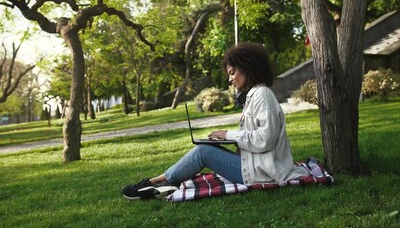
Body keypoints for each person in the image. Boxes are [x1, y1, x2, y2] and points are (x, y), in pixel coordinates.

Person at [121, 43, 294, 200]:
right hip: (255, 165)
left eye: (233, 73)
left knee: (203, 151)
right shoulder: (255, 95)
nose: (230, 79)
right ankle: (161, 181)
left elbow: (266, 139)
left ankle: (157, 182)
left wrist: (228, 134)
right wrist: (227, 139)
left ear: (248, 68)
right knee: (208, 148)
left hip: (263, 172)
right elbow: (256, 137)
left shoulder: (262, 95)